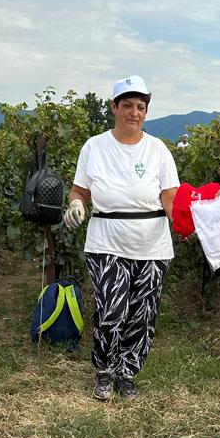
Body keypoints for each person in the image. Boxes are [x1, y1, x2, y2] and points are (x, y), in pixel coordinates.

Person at [63, 75, 179, 401]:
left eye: (141, 107)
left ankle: (127, 371)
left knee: (143, 313)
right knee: (112, 310)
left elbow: (169, 196)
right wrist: (76, 203)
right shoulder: (95, 147)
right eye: (127, 105)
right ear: (114, 107)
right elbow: (80, 190)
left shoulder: (158, 150)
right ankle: (104, 369)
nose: (134, 112)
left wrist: (186, 220)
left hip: (152, 244)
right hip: (106, 240)